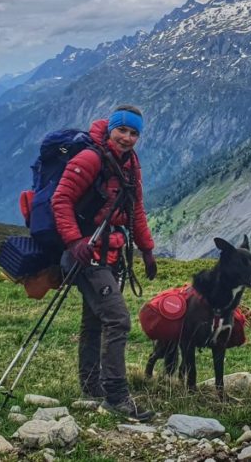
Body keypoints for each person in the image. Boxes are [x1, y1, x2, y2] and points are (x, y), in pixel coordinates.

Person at [51, 104, 157, 422]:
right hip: (85, 252)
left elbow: (135, 209)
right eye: (122, 130)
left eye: (134, 132)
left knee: (95, 320)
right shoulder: (90, 159)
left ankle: (90, 387)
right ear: (111, 128)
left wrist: (147, 251)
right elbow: (61, 200)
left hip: (109, 253)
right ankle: (116, 395)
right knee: (118, 319)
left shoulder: (129, 164)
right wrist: (74, 241)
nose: (127, 137)